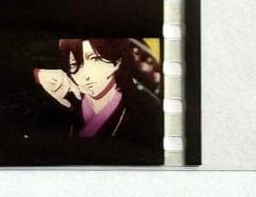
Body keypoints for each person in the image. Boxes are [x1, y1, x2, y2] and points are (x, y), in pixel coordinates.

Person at [33, 38, 162, 159]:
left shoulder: (144, 110)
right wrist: (37, 76)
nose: (86, 75)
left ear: (117, 61)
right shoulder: (62, 102)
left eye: (94, 59)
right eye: (74, 64)